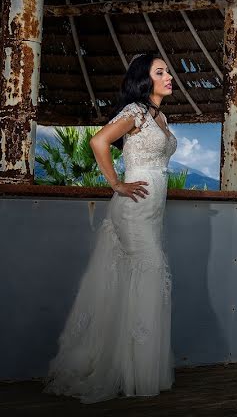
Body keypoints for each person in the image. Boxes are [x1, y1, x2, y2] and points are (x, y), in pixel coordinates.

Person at [44, 54, 178, 403]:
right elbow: (98, 141)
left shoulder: (161, 117)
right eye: (160, 72)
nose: (169, 77)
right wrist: (116, 183)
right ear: (145, 79)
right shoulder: (134, 111)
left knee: (145, 282)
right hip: (133, 210)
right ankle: (133, 375)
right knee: (150, 276)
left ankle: (133, 370)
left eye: (168, 71)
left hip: (153, 212)